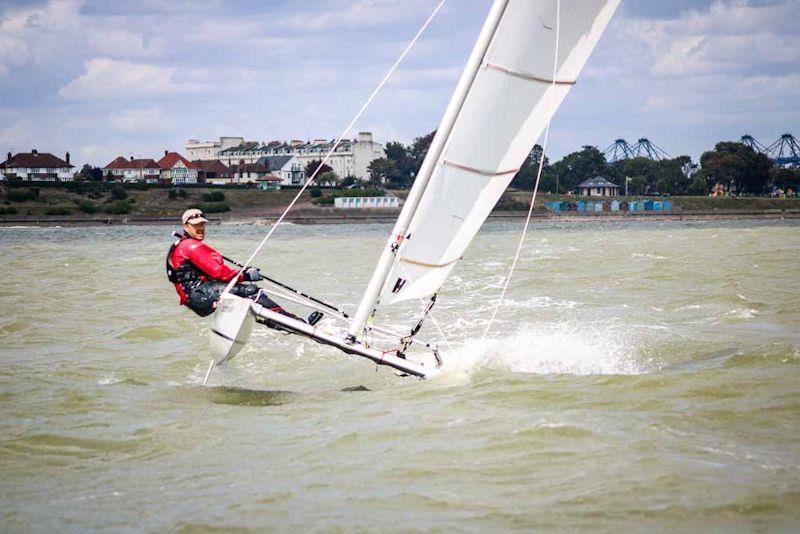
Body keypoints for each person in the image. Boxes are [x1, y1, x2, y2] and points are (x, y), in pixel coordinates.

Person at [167, 208, 321, 326]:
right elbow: (220, 272)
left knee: (243, 296)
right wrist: (246, 275)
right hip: (201, 294)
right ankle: (298, 324)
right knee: (252, 292)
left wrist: (242, 274)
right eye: (195, 225)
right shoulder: (191, 246)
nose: (200, 228)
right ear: (185, 226)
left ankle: (282, 323)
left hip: (197, 297)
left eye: (202, 224)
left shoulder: (182, 245)